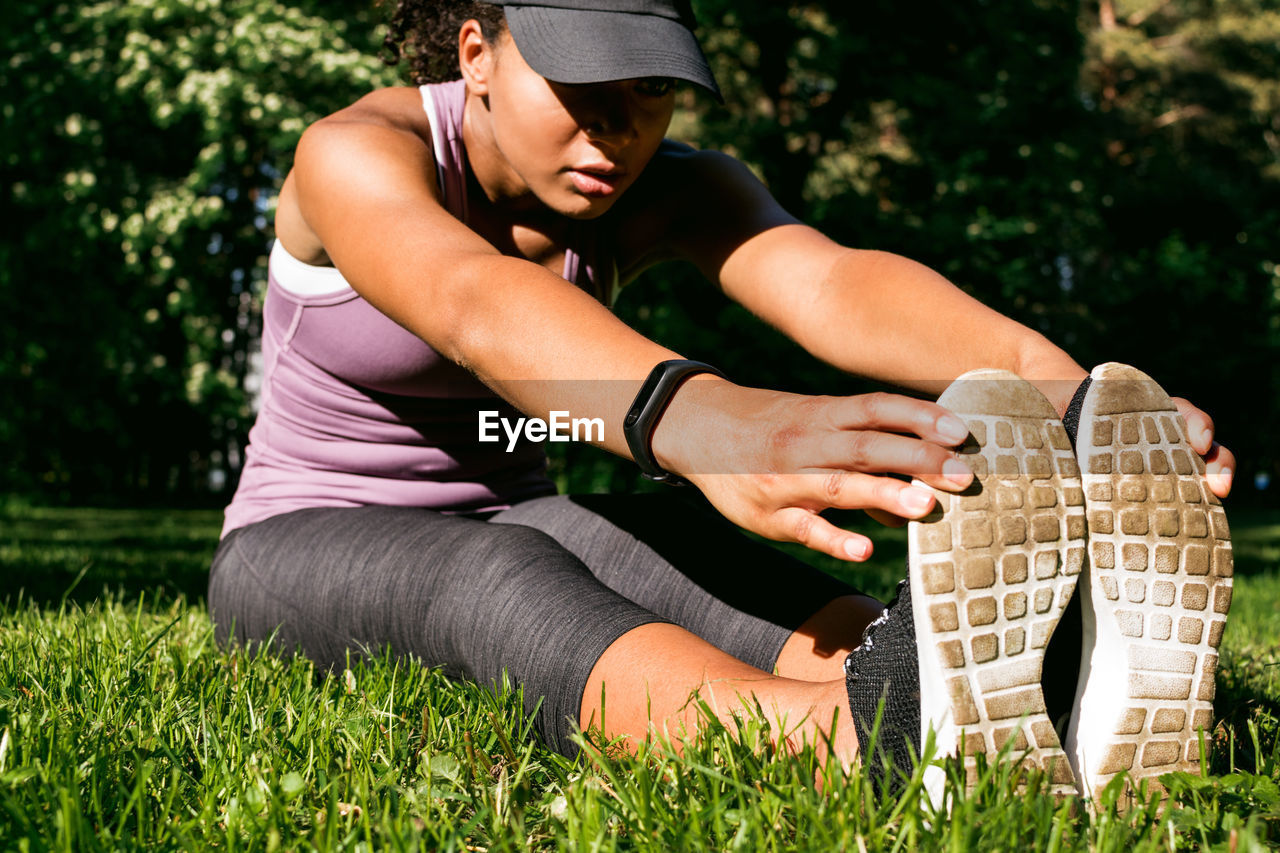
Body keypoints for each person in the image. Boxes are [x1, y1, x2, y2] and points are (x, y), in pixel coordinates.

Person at [207, 0, 1235, 800]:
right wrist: (701, 419)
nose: (614, 124)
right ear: (475, 53)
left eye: (650, 85)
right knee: (495, 567)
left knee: (660, 536)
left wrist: (1074, 399)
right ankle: (851, 737)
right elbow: (469, 299)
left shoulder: (661, 189)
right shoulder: (354, 153)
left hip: (514, 501)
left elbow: (829, 282)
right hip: (296, 538)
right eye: (577, 81)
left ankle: (964, 683)